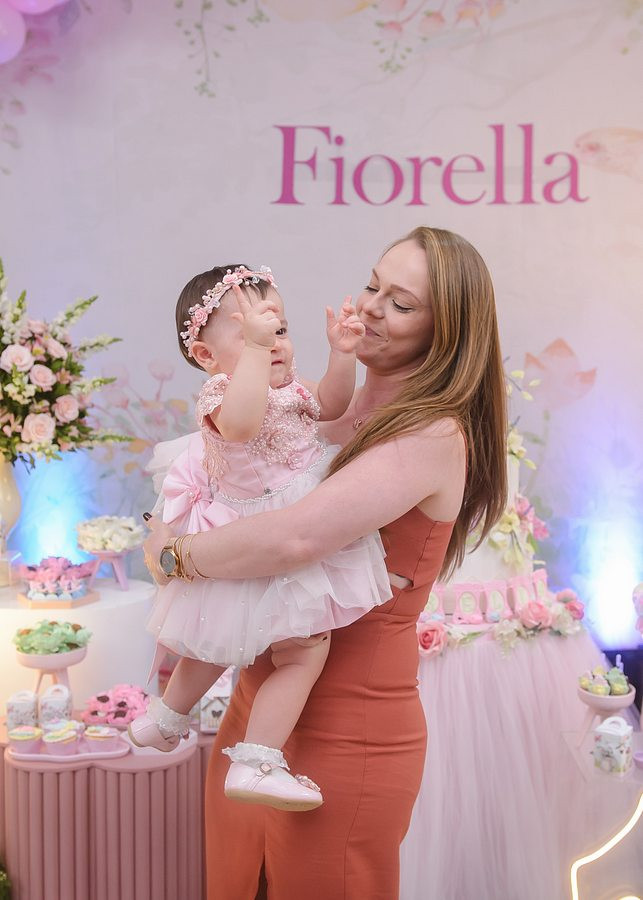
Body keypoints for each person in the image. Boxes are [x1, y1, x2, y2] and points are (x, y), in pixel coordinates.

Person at [143, 227, 507, 899]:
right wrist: (169, 517)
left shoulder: (431, 431)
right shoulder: (332, 400)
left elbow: (294, 538)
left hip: (348, 724)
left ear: (446, 333)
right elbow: (236, 470)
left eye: (400, 303)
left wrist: (174, 553)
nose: (370, 307)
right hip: (258, 705)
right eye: (372, 285)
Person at [130, 264, 393, 812]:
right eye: (252, 333)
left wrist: (341, 354)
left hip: (290, 527)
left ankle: (229, 749)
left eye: (279, 329)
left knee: (286, 648)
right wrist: (254, 353)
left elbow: (332, 406)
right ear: (207, 356)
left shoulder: (290, 387)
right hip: (252, 537)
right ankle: (185, 726)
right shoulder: (221, 395)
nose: (273, 343)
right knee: (224, 644)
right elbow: (243, 424)